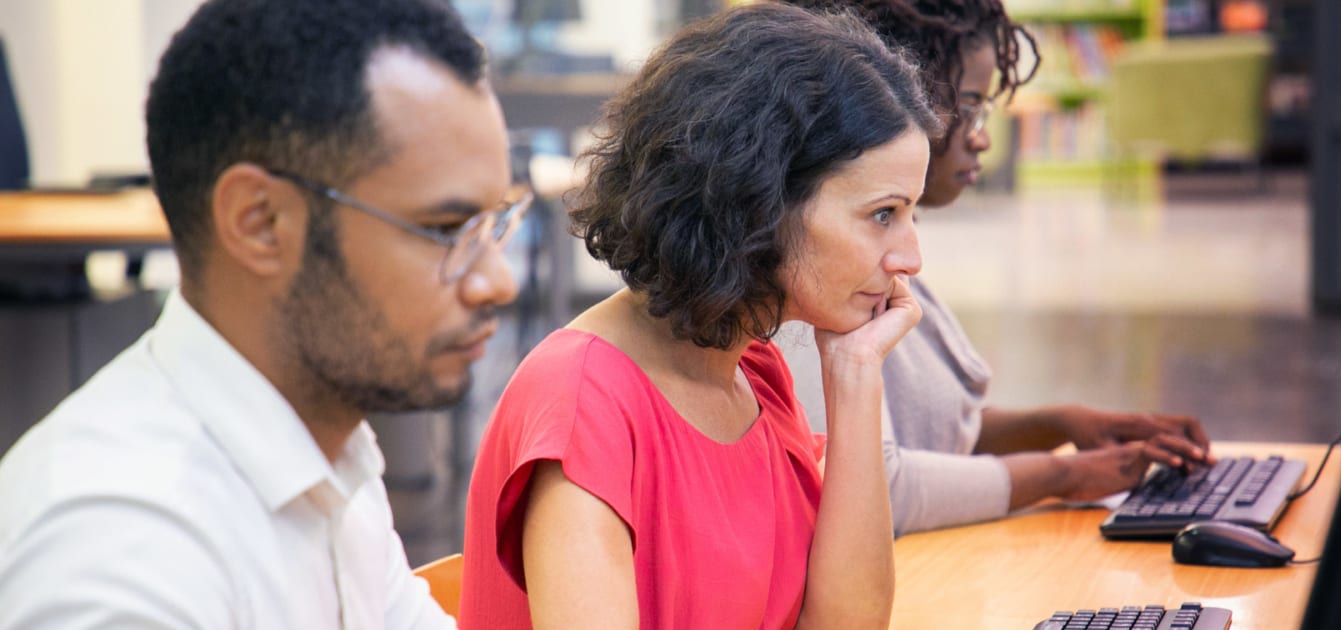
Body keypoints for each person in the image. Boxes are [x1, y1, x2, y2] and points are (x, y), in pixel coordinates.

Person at [0, 0, 529, 627]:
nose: (498, 281)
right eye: (444, 229)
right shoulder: (122, 556)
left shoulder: (325, 456)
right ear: (261, 223)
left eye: (493, 225)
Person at [460, 4, 940, 628]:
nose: (911, 258)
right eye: (883, 214)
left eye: (911, 215)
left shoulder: (754, 374)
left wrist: (854, 375)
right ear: (759, 199)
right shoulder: (583, 401)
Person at [776, 0, 1213, 537]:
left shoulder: (882, 259)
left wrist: (1062, 425)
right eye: (972, 107)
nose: (981, 136)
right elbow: (875, 486)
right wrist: (1062, 474)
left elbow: (935, 436)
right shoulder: (816, 283)